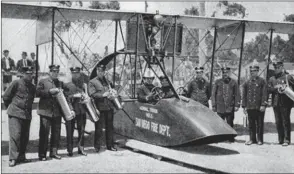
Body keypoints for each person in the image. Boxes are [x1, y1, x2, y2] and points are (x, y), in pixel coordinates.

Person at [2, 66, 35, 167]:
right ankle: (13, 158)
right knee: (15, 136)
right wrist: (12, 108)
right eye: (28, 74)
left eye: (31, 74)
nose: (30, 76)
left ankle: (21, 157)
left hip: (26, 115)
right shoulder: (16, 83)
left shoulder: (32, 87)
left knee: (25, 137)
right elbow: (6, 96)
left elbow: (31, 101)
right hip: (15, 113)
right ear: (23, 74)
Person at [36, 64, 71, 160]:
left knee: (56, 133)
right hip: (45, 111)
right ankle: (42, 154)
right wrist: (49, 91)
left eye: (57, 72)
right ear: (49, 72)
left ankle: (53, 152)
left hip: (56, 112)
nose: (55, 73)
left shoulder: (60, 83)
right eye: (53, 71)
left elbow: (66, 95)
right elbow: (37, 93)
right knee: (44, 133)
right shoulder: (43, 81)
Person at [88, 64, 117, 152]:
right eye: (99, 71)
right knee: (99, 128)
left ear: (104, 72)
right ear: (97, 71)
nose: (101, 73)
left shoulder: (108, 81)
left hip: (109, 107)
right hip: (99, 107)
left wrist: (113, 92)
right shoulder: (92, 82)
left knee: (110, 127)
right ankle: (97, 146)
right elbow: (92, 94)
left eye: (103, 71)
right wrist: (102, 95)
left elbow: (112, 89)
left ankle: (110, 145)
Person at [268, 61, 294, 146]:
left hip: (286, 103)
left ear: (282, 67)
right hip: (276, 103)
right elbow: (268, 90)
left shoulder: (288, 77)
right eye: (275, 68)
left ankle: (287, 140)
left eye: (278, 67)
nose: (276, 69)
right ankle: (281, 139)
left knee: (285, 121)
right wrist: (275, 88)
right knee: (278, 121)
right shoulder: (272, 79)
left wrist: (286, 88)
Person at [63, 67, 88, 156]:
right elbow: (65, 98)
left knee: (81, 131)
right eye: (74, 73)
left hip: (81, 111)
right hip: (72, 111)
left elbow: (87, 95)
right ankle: (70, 150)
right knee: (70, 131)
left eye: (77, 73)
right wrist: (74, 96)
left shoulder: (83, 85)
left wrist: (86, 99)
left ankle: (81, 148)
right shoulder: (67, 85)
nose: (75, 75)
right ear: (71, 74)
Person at [211, 67, 240, 142]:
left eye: (227, 72)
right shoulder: (217, 82)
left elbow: (237, 94)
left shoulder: (234, 82)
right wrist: (214, 105)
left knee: (230, 123)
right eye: (223, 73)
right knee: (219, 123)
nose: (225, 74)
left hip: (230, 107)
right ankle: (219, 138)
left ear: (229, 73)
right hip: (220, 107)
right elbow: (213, 94)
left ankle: (230, 138)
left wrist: (237, 105)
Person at [242, 65, 267, 145]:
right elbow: (244, 95)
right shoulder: (247, 82)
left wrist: (263, 104)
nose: (252, 72)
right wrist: (244, 106)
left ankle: (260, 140)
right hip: (250, 106)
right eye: (251, 71)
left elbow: (264, 94)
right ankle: (252, 139)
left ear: (257, 71)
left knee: (259, 123)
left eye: (254, 71)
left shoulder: (262, 81)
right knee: (251, 124)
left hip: (259, 106)